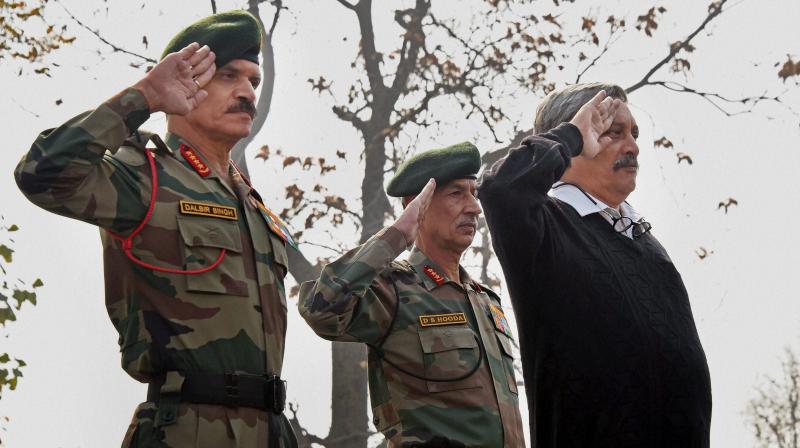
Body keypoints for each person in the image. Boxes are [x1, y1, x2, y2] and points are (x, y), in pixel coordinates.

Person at [14, 10, 297, 448]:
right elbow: (42, 175)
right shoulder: (143, 175)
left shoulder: (252, 203)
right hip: (187, 429)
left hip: (273, 430)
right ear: (183, 82)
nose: (247, 93)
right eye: (228, 75)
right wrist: (143, 96)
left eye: (254, 82)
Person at [478, 82, 712, 447]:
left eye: (633, 134)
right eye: (612, 133)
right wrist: (570, 134)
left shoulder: (648, 243)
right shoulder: (545, 228)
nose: (633, 147)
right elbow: (499, 190)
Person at [298, 143, 525, 447]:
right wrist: (395, 237)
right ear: (416, 205)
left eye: (474, 193)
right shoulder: (394, 288)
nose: (474, 207)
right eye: (457, 194)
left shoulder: (487, 302)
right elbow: (319, 308)